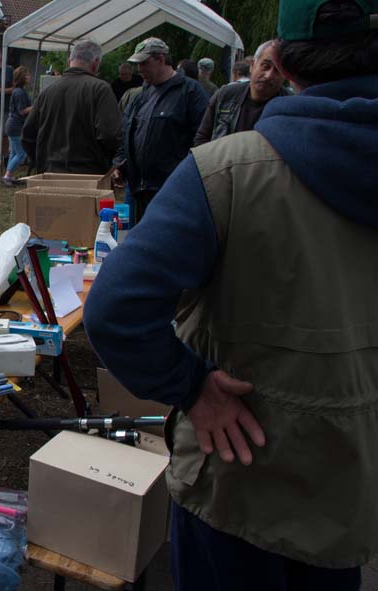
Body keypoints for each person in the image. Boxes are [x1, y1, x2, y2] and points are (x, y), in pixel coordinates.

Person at [84, 0, 378, 588]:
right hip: (351, 485)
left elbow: (115, 309)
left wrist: (192, 387)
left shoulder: (228, 172)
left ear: (283, 63)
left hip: (238, 478)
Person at [112, 37, 209, 221]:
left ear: (161, 59)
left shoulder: (191, 92)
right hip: (139, 192)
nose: (139, 69)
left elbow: (203, 141)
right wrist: (120, 166)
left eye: (144, 63)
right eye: (138, 64)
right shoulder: (141, 96)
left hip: (172, 192)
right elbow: (128, 134)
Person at [21, 40, 122, 175]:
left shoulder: (47, 92)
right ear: (96, 62)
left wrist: (43, 162)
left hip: (50, 175)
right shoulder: (100, 89)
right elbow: (110, 135)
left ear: (69, 61)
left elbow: (27, 136)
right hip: (89, 176)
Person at [195, 40, 290, 146]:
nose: (269, 76)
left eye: (277, 70)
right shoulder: (226, 95)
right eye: (265, 66)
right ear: (252, 65)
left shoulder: (290, 107)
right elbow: (202, 138)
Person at [2, 66, 32, 186]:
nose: (29, 77)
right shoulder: (19, 92)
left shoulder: (19, 91)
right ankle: (7, 176)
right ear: (21, 77)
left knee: (14, 153)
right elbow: (22, 111)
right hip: (15, 126)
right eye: (27, 75)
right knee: (21, 154)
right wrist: (36, 107)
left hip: (12, 125)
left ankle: (8, 176)